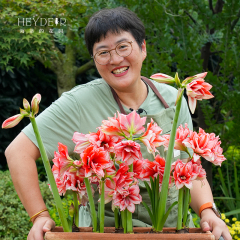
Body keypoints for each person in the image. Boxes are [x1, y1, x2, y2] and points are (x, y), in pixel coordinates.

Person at [5, 7, 231, 240]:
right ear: (94, 60)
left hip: (173, 232)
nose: (115, 59)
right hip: (102, 234)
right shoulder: (79, 102)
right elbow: (18, 152)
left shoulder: (173, 98)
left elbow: (190, 171)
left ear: (143, 48)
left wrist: (208, 211)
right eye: (103, 52)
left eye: (123, 46)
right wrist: (40, 215)